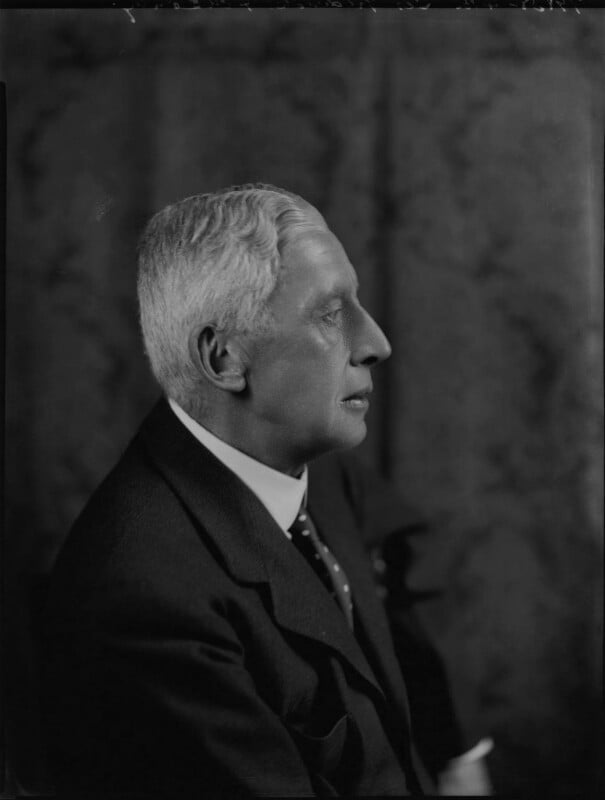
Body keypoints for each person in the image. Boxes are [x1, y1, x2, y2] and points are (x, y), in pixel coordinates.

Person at [42, 184, 491, 797]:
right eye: (329, 314)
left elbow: (405, 567)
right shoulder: (145, 602)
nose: (376, 343)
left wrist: (460, 754)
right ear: (224, 359)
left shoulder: (304, 455)